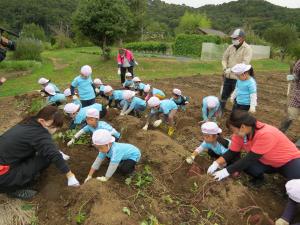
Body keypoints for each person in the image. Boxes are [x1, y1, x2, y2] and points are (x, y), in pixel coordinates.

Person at [0, 106, 79, 199]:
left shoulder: (29, 122)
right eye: (53, 127)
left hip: (6, 161)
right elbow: (52, 154)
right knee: (46, 157)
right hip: (3, 176)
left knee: (43, 152)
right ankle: (14, 189)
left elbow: (44, 146)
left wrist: (55, 150)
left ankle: (19, 178)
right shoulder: (39, 133)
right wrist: (70, 176)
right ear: (42, 121)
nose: (55, 130)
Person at [207, 110, 300, 187]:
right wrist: (216, 163)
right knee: (245, 165)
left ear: (242, 127)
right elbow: (232, 152)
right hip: (265, 161)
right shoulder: (241, 134)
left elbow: (250, 158)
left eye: (233, 130)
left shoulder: (266, 134)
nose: (233, 133)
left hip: (287, 161)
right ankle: (260, 179)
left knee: (295, 182)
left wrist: (225, 172)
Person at [220, 28, 253, 113]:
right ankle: (220, 112)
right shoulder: (230, 47)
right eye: (233, 38)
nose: (233, 40)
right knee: (223, 96)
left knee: (236, 98)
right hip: (228, 77)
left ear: (242, 38)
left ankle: (234, 116)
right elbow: (224, 59)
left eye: (235, 38)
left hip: (238, 79)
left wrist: (231, 69)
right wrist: (225, 68)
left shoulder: (247, 49)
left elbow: (244, 64)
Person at [280, 59, 300, 147]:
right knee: (289, 116)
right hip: (297, 95)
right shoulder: (299, 63)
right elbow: (296, 76)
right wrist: (293, 77)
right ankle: (279, 134)